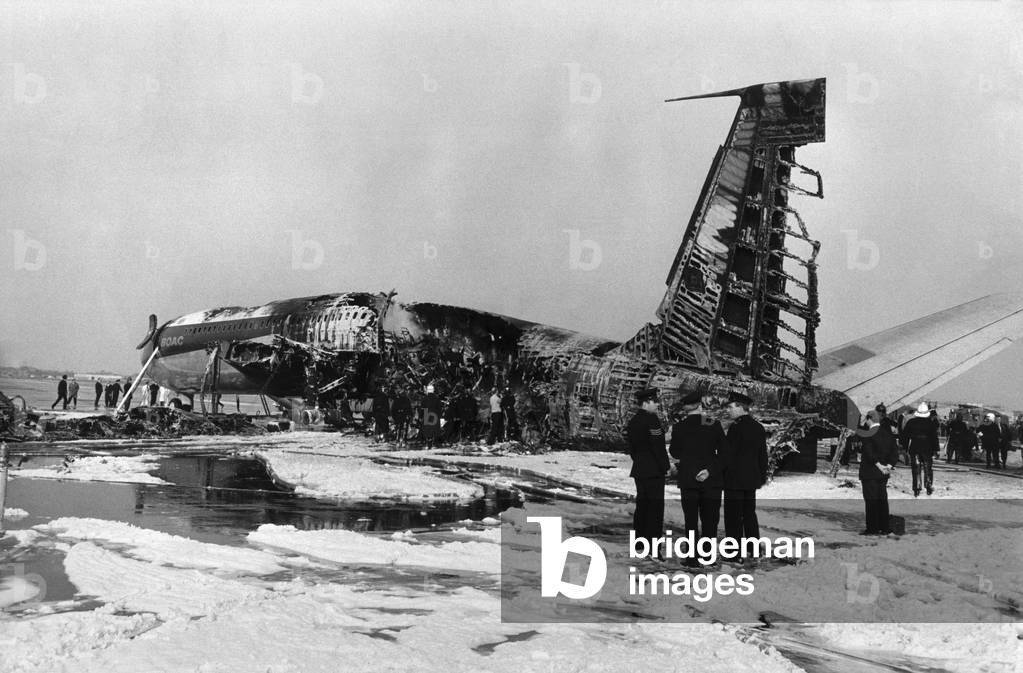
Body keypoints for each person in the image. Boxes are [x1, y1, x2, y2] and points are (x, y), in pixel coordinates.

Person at [668, 391, 724, 566]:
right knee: (710, 520)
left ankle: (692, 558)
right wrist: (709, 470)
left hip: (688, 479)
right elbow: (724, 453)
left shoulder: (679, 427)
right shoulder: (713, 424)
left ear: (686, 409)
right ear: (700, 405)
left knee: (691, 520)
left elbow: (675, 452)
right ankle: (707, 556)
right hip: (711, 479)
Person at [722, 391, 768, 553]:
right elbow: (763, 455)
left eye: (731, 407)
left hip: (734, 480)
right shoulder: (758, 427)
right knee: (749, 514)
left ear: (741, 407)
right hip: (751, 479)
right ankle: (753, 546)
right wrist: (761, 477)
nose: (728, 410)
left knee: (733, 516)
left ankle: (733, 549)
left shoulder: (735, 428)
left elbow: (728, 455)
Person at [625, 387, 669, 558]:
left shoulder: (634, 421)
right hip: (653, 471)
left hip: (640, 469)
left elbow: (633, 449)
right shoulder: (652, 421)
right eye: (655, 402)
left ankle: (639, 542)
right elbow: (658, 447)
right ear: (647, 403)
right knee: (655, 509)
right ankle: (654, 548)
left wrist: (640, 462)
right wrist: (665, 466)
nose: (657, 405)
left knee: (642, 506)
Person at [857, 410, 899, 535]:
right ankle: (884, 527)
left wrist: (879, 465)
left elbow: (869, 453)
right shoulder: (887, 433)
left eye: (866, 419)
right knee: (882, 499)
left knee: (871, 501)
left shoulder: (868, 434)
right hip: (883, 473)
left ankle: (872, 528)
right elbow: (894, 452)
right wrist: (889, 465)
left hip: (870, 472)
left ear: (870, 419)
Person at [902, 402, 938, 495]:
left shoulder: (911, 422)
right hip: (927, 448)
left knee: (916, 468)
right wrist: (935, 450)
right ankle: (928, 486)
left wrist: (905, 448)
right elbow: (934, 437)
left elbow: (905, 436)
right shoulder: (931, 423)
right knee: (928, 468)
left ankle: (916, 488)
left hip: (915, 447)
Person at [419, 384, 443, 449]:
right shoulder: (437, 398)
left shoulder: (424, 398)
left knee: (427, 429)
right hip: (434, 414)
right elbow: (439, 408)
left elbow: (422, 408)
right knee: (434, 429)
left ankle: (428, 443)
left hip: (427, 413)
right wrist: (440, 416)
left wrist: (420, 416)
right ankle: (433, 443)